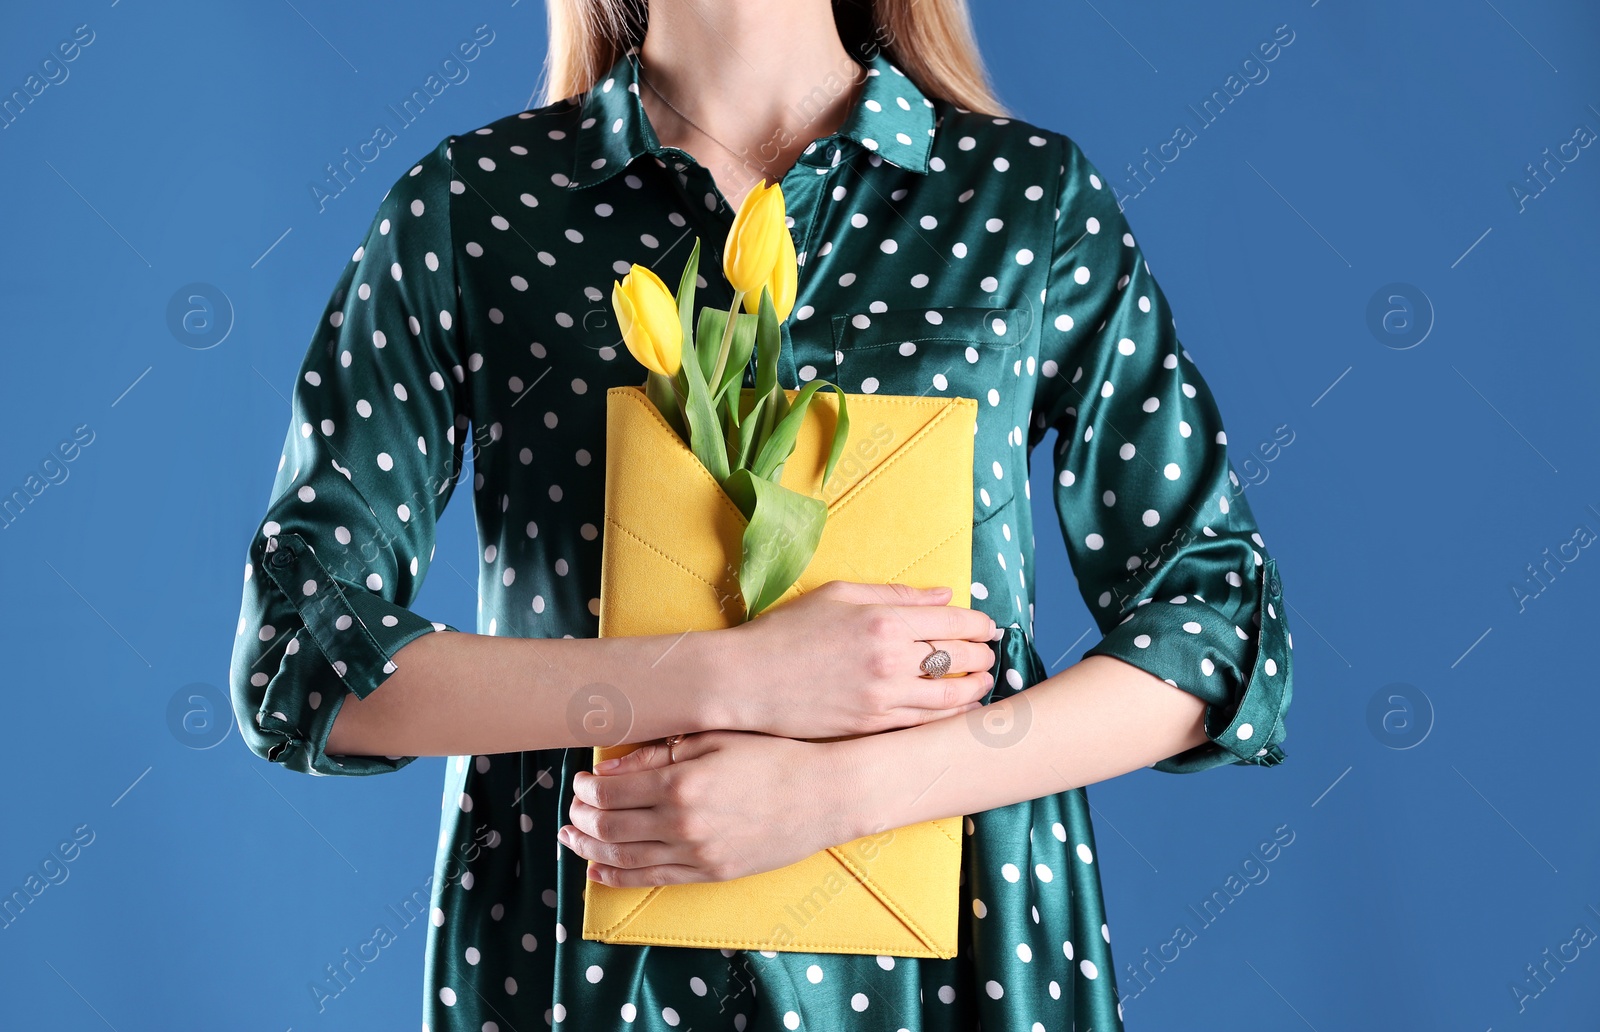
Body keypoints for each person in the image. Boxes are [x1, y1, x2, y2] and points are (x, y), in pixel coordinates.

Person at [228, 0, 1295, 1028]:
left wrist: (845, 793)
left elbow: (1215, 626)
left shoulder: (1025, 199)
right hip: (579, 968)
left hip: (954, 968)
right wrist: (734, 675)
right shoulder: (473, 205)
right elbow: (303, 655)